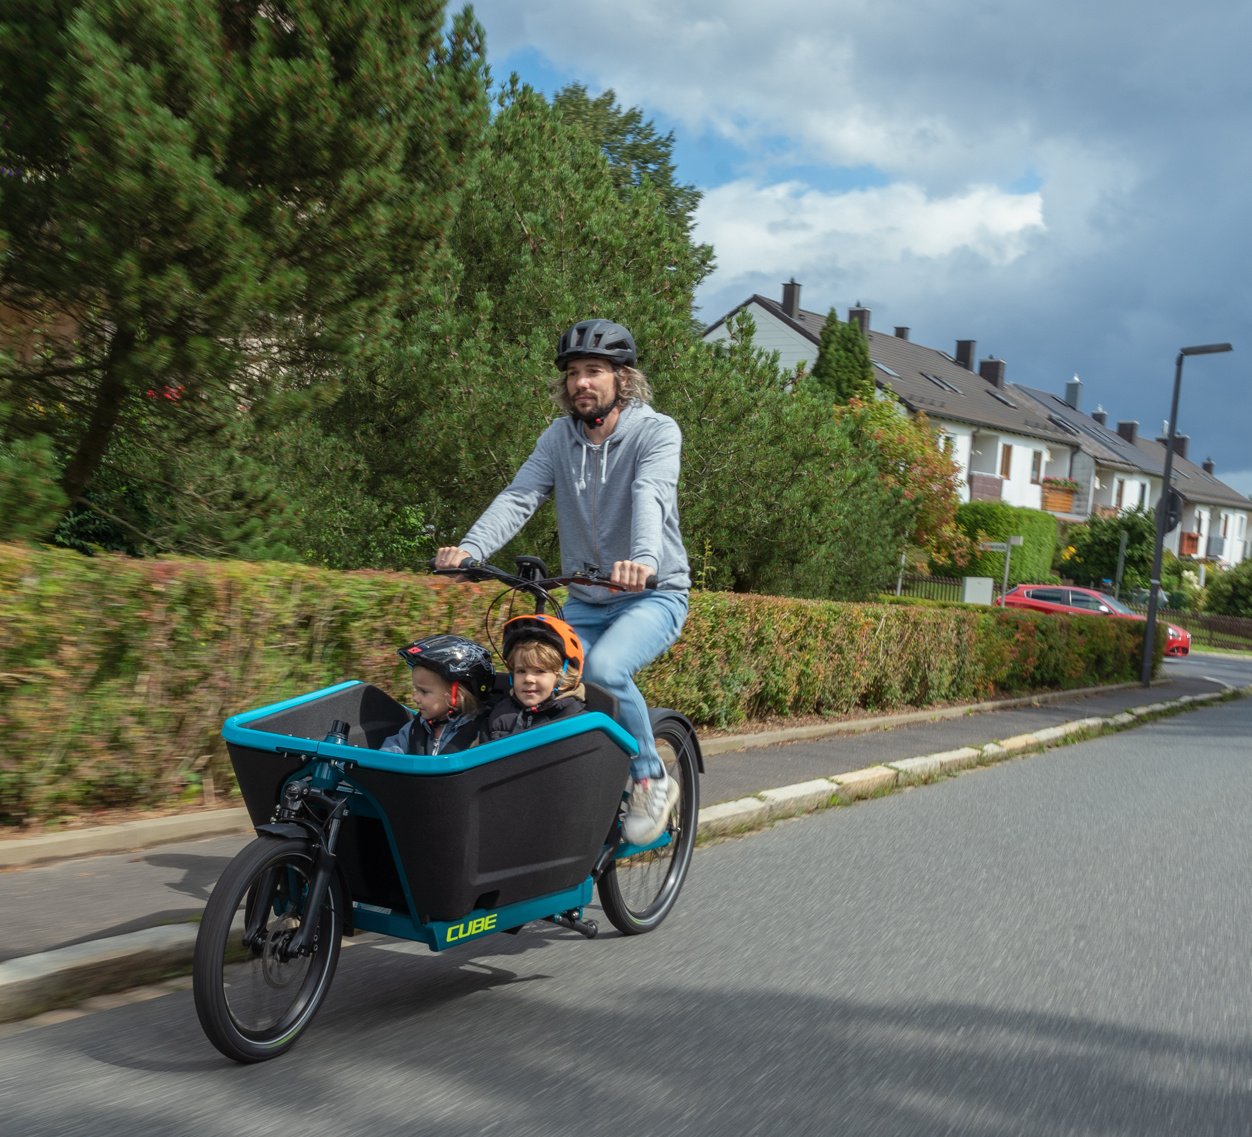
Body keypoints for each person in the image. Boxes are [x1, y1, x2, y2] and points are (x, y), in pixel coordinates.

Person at [435, 318, 690, 845]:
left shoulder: (656, 432)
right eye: (573, 373)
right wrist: (471, 550)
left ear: (623, 378)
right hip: (588, 600)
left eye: (594, 371)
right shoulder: (558, 438)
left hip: (652, 595)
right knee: (542, 684)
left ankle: (650, 777)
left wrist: (642, 558)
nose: (581, 383)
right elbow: (520, 495)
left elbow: (651, 493)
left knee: (604, 668)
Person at [379, 634, 495, 756]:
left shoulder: (482, 733)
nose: (415, 698)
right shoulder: (415, 728)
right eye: (416, 689)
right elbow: (389, 754)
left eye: (424, 691)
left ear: (457, 695)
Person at [487, 613, 586, 741]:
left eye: (539, 671)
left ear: (563, 676)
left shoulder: (577, 720)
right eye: (521, 671)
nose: (528, 679)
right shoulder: (499, 716)